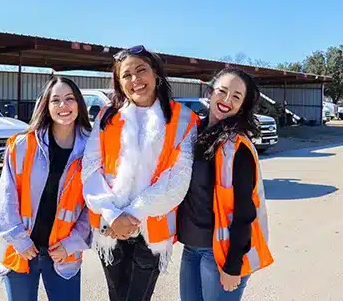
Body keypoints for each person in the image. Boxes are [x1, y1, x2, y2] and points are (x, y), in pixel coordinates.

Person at [81, 45, 199, 301]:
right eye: (126, 75)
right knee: (116, 295)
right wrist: (113, 215)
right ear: (119, 82)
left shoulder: (183, 119)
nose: (135, 80)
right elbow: (90, 169)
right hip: (109, 228)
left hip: (151, 228)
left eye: (141, 70)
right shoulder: (106, 117)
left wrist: (131, 216)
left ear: (156, 73)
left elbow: (176, 180)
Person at [177, 68, 274, 301]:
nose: (227, 100)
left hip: (220, 253)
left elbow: (245, 211)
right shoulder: (192, 133)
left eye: (236, 97)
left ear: (243, 106)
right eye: (222, 91)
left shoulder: (237, 146)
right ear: (210, 92)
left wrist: (233, 265)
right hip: (191, 248)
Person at [0, 77, 92, 301]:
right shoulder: (22, 145)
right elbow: (5, 198)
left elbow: (93, 206)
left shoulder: (92, 150)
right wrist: (20, 240)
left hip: (63, 253)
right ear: (46, 106)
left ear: (79, 104)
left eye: (69, 99)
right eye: (55, 100)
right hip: (21, 250)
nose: (63, 106)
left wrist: (72, 243)